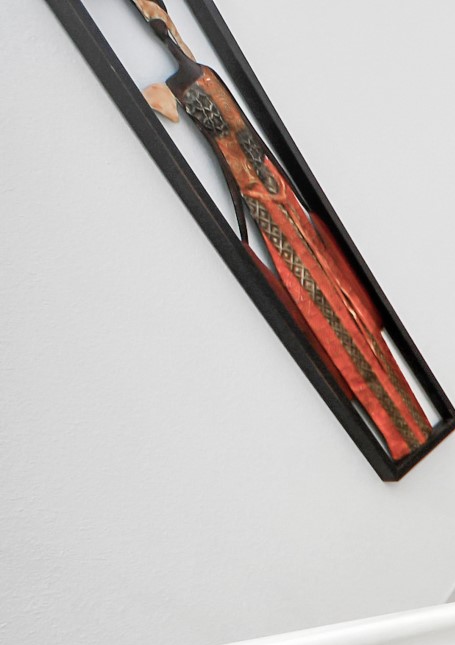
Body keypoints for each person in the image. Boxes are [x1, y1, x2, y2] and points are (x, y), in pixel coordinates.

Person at [129, 0, 434, 460]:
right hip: (264, 204)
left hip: (279, 193)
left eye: (165, 19)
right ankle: (399, 431)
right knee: (328, 313)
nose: (166, 28)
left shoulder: (203, 67)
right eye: (159, 21)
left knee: (348, 308)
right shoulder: (177, 84)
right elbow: (203, 139)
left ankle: (411, 423)